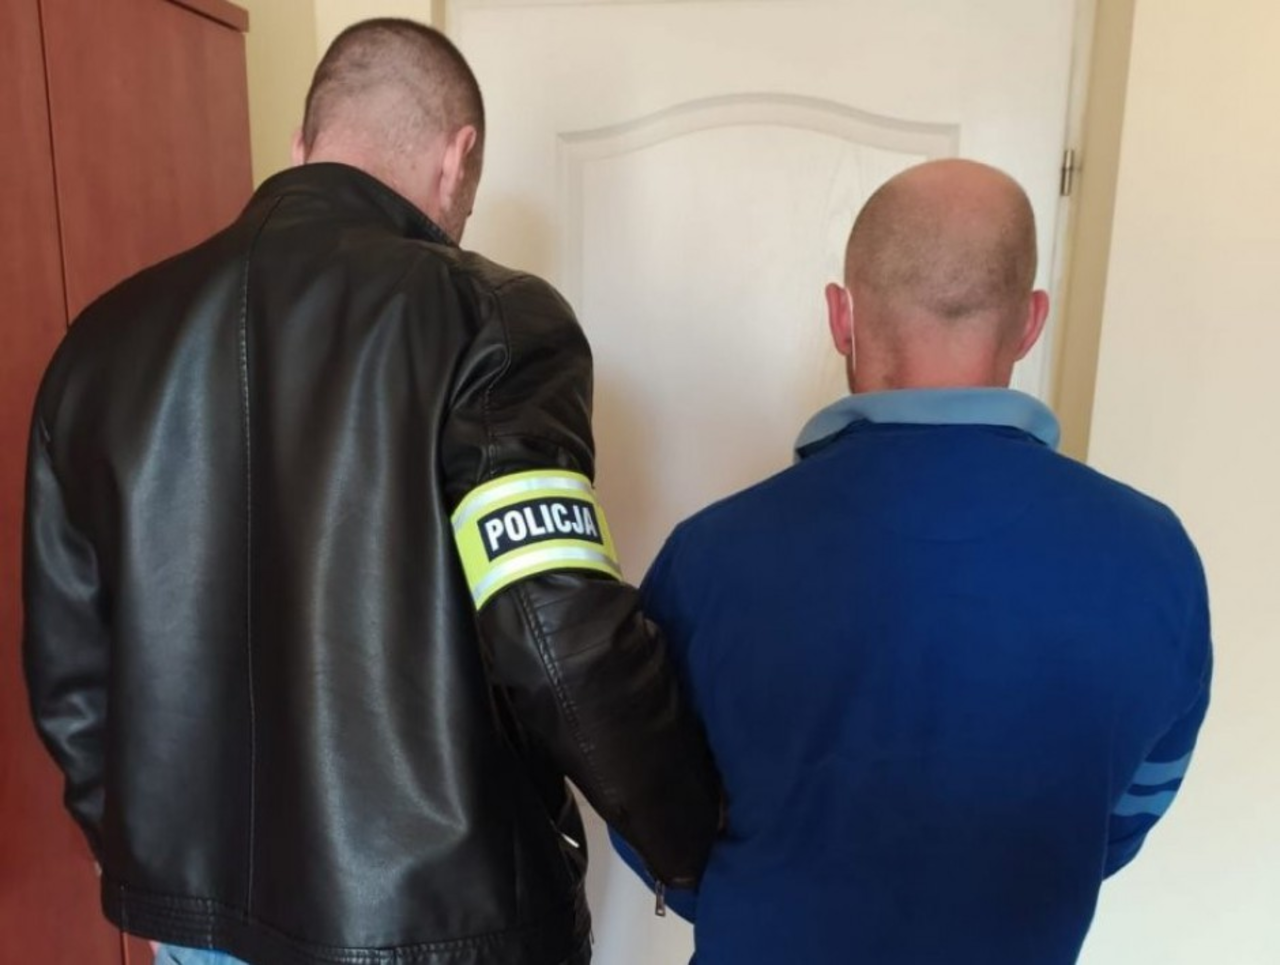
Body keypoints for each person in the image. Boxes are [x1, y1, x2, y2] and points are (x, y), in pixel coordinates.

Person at [23, 19, 719, 965]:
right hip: (433, 927)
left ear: (302, 144)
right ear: (457, 157)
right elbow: (554, 625)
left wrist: (157, 868)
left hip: (196, 926)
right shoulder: (491, 318)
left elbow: (71, 679)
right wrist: (689, 843)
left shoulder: (99, 344)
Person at [612, 159, 1212, 964]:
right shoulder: (1156, 557)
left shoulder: (708, 556)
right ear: (1031, 322)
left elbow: (647, 812)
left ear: (841, 316)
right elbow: (1123, 819)